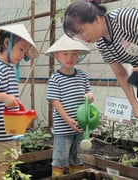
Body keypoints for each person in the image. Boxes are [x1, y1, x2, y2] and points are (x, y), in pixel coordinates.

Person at [63, 0, 138, 179]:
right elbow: (121, 74)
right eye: (77, 35)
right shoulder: (102, 43)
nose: (82, 37)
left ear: (96, 19)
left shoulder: (124, 18)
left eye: (82, 31)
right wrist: (134, 104)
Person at [0, 24, 38, 180]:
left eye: (25, 52)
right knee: (3, 168)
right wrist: (5, 97)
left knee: (6, 166)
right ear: (7, 43)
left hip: (7, 130)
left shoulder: (7, 68)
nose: (22, 55)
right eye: (21, 49)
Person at [45, 34, 94, 177]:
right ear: (57, 56)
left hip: (80, 124)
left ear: (79, 55)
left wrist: (90, 96)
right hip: (63, 126)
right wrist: (67, 119)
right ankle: (57, 177)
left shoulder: (82, 75)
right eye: (65, 54)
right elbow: (55, 101)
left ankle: (76, 177)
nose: (69, 57)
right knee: (60, 157)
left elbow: (89, 93)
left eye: (74, 54)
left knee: (77, 156)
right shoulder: (56, 78)